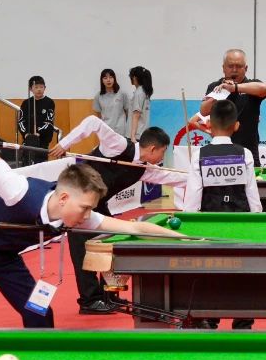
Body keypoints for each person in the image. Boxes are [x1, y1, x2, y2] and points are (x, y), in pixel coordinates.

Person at [0, 141, 183, 329]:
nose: (88, 215)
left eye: (91, 209)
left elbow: (135, 228)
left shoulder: (81, 215)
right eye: (85, 208)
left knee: (39, 313)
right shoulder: (19, 190)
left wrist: (184, 239)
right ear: (64, 198)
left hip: (3, 254)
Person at [50, 116, 187, 315]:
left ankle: (110, 294)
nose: (162, 157)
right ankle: (90, 301)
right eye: (163, 151)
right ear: (153, 149)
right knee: (82, 251)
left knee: (112, 246)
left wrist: (200, 178)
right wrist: (64, 143)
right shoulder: (119, 145)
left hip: (99, 205)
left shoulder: (145, 169)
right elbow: (93, 121)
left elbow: (176, 178)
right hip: (77, 203)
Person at [180, 100, 262, 329]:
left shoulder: (199, 154)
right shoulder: (245, 153)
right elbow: (252, 194)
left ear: (209, 126)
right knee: (243, 272)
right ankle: (243, 322)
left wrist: (189, 225)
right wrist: (257, 219)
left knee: (211, 271)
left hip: (209, 225)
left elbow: (193, 197)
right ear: (236, 126)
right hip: (241, 224)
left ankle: (209, 317)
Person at [198, 49, 266, 164]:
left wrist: (235, 88)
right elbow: (203, 111)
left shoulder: (252, 85)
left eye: (239, 66)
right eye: (230, 66)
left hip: (248, 154)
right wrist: (221, 92)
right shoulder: (214, 86)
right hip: (220, 153)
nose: (234, 70)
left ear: (246, 68)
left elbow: (264, 88)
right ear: (223, 68)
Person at [17, 76, 57, 165]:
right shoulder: (26, 103)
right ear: (31, 89)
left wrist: (38, 132)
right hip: (28, 138)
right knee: (27, 162)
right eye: (36, 87)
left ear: (45, 88)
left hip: (43, 139)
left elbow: (49, 121)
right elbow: (21, 121)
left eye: (41, 87)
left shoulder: (49, 102)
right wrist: (26, 134)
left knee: (40, 163)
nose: (39, 89)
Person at [92, 68, 130, 135]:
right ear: (102, 81)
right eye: (105, 78)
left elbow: (128, 111)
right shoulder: (98, 96)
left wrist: (126, 125)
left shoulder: (122, 94)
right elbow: (98, 115)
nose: (108, 80)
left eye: (111, 77)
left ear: (114, 79)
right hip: (106, 131)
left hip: (120, 130)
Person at [127, 66, 153, 140]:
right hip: (142, 133)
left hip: (137, 135)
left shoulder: (139, 93)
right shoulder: (144, 91)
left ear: (135, 78)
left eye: (131, 76)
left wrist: (132, 136)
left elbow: (136, 115)